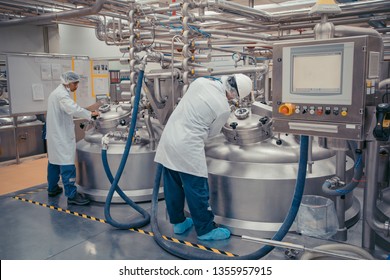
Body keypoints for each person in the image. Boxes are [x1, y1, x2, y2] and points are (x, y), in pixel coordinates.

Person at [154, 74, 252, 241]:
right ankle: (206, 230)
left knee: (173, 184)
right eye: (235, 97)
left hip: (169, 137)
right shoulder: (223, 108)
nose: (233, 99)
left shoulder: (201, 82)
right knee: (197, 188)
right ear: (234, 93)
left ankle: (178, 223)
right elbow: (212, 133)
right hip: (187, 145)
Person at [46, 71, 100, 205]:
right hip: (61, 136)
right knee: (67, 163)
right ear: (68, 82)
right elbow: (73, 109)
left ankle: (52, 188)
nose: (76, 86)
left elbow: (71, 109)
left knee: (53, 161)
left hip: (54, 135)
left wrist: (87, 110)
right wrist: (91, 114)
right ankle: (71, 195)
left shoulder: (56, 93)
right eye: (75, 83)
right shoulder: (62, 95)